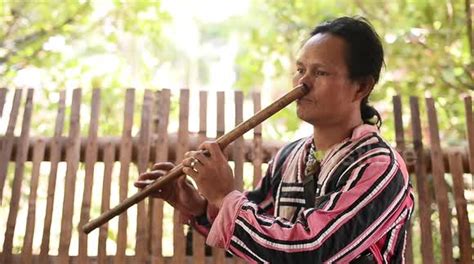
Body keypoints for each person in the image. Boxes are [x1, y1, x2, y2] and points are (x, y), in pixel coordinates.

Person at [136, 16, 414, 263]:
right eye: (300, 69)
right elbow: (262, 239)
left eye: (320, 73)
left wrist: (224, 195)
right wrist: (199, 207)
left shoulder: (379, 168)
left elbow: (312, 251)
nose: (302, 83)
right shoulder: (289, 157)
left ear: (361, 86)